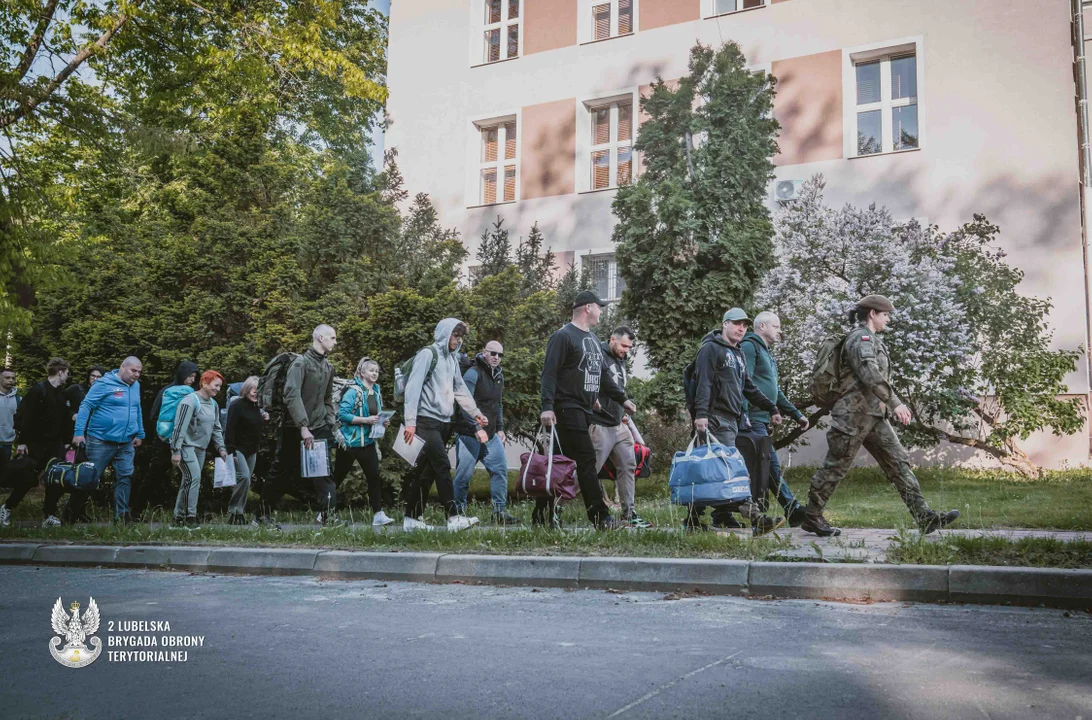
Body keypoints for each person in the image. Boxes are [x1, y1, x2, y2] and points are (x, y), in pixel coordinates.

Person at [802, 295, 960, 537]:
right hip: (853, 416)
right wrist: (895, 403)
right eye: (885, 314)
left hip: (874, 416)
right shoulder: (861, 338)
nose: (888, 319)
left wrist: (887, 406)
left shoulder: (872, 340)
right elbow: (869, 372)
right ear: (873, 314)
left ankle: (924, 515)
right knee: (835, 467)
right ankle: (812, 516)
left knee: (898, 462)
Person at [538, 290, 636, 531]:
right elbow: (549, 374)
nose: (602, 311)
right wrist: (547, 407)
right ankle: (601, 518)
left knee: (561, 464)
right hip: (566, 408)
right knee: (586, 460)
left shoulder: (592, 340)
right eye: (599, 307)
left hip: (584, 410)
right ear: (587, 308)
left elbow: (601, 375)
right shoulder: (563, 337)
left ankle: (541, 515)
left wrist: (622, 399)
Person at [689, 308, 783, 535]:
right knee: (733, 470)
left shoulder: (738, 354)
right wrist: (701, 415)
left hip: (732, 420)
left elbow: (748, 388)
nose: (741, 329)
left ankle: (693, 518)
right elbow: (704, 383)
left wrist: (771, 407)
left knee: (710, 470)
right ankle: (756, 519)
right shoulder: (710, 349)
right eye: (736, 324)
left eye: (744, 325)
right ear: (724, 324)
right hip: (715, 419)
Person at [402, 318, 490, 533]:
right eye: (455, 335)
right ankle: (453, 517)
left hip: (442, 423)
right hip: (424, 421)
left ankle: (411, 519)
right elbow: (412, 388)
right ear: (444, 334)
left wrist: (476, 413)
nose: (458, 340)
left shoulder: (452, 359)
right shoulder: (427, 354)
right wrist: (410, 422)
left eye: (460, 337)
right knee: (442, 466)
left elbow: (459, 388)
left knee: (427, 472)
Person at [735, 311, 811, 527]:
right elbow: (743, 382)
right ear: (761, 327)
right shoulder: (749, 346)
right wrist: (744, 414)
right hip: (751, 419)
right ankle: (792, 508)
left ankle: (791, 508)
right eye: (776, 326)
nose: (780, 331)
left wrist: (796, 414)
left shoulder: (767, 353)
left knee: (765, 466)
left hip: (762, 418)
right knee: (769, 465)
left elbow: (774, 390)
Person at [261, 325, 340, 526]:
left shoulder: (328, 367)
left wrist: (330, 422)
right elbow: (291, 394)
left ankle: (329, 517)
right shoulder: (300, 363)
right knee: (281, 471)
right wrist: (303, 427)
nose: (335, 342)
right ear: (320, 338)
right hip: (294, 427)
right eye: (332, 338)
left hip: (319, 425)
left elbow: (328, 399)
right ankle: (262, 516)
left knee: (324, 473)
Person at [589, 326, 651, 529]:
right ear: (612, 339)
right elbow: (590, 382)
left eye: (630, 347)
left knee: (628, 465)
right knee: (589, 471)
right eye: (624, 345)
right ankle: (557, 506)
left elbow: (618, 388)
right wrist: (591, 400)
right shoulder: (598, 355)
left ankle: (629, 513)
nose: (626, 350)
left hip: (618, 425)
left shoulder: (620, 360)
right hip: (600, 424)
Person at [452, 341, 519, 525]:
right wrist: (476, 428)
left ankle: (499, 512)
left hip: (490, 436)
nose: (496, 357)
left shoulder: (498, 375)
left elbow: (497, 404)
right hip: (468, 434)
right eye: (493, 353)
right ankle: (457, 515)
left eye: (500, 354)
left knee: (500, 470)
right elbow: (463, 404)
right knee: (463, 476)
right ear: (484, 353)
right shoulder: (473, 373)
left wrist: (500, 429)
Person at [5, 360, 78, 527]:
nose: (68, 376)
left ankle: (49, 515)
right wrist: (22, 442)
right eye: (67, 373)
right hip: (36, 443)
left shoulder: (62, 393)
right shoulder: (39, 390)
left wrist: (67, 442)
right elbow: (25, 416)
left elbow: (65, 420)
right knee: (27, 479)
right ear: (60, 372)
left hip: (55, 444)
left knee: (55, 479)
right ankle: (8, 507)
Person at [73, 357, 145, 523]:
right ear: (122, 367)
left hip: (126, 442)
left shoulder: (136, 386)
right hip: (100, 440)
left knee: (125, 477)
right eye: (133, 371)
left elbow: (137, 408)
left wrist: (140, 433)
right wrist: (78, 432)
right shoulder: (104, 384)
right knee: (89, 478)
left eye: (139, 372)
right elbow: (86, 406)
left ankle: (122, 517)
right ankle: (72, 513)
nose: (137, 375)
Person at [333, 358, 393, 527]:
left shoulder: (376, 392)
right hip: (350, 443)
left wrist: (383, 421)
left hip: (367, 443)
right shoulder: (354, 391)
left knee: (374, 477)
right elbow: (342, 415)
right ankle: (324, 511)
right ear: (361, 373)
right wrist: (366, 420)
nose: (374, 373)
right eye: (371, 370)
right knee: (337, 477)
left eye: (376, 371)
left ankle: (378, 514)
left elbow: (376, 415)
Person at [136, 360, 199, 515]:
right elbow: (154, 416)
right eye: (189, 376)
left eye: (194, 376)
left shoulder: (193, 393)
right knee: (154, 476)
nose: (191, 379)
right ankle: (136, 510)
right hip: (164, 441)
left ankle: (189, 512)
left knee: (191, 478)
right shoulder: (168, 391)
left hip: (184, 441)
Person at [170, 370, 229, 529]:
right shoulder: (190, 401)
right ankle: (191, 518)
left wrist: (221, 448)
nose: (218, 389)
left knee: (188, 481)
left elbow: (216, 428)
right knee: (194, 479)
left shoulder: (213, 404)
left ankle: (178, 518)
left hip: (200, 449)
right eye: (216, 385)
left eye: (220, 387)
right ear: (204, 383)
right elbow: (179, 427)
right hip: (186, 447)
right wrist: (176, 450)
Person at [223, 375, 267, 525]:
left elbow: (255, 426)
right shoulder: (237, 405)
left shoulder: (257, 407)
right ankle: (233, 511)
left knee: (245, 482)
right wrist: (231, 450)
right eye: (253, 390)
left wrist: (264, 417)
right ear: (246, 389)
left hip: (252, 450)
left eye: (258, 390)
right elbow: (229, 429)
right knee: (244, 477)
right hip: (238, 448)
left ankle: (239, 513)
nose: (255, 393)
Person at [0, 367, 26, 527]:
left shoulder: (18, 400)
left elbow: (21, 422)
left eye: (13, 378)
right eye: (7, 377)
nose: (11, 380)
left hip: (7, 444)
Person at [65, 365, 105, 434]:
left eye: (99, 377)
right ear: (88, 376)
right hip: (74, 431)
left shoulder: (105, 393)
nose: (95, 379)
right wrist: (72, 414)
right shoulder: (75, 389)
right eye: (93, 376)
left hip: (95, 433)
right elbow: (59, 404)